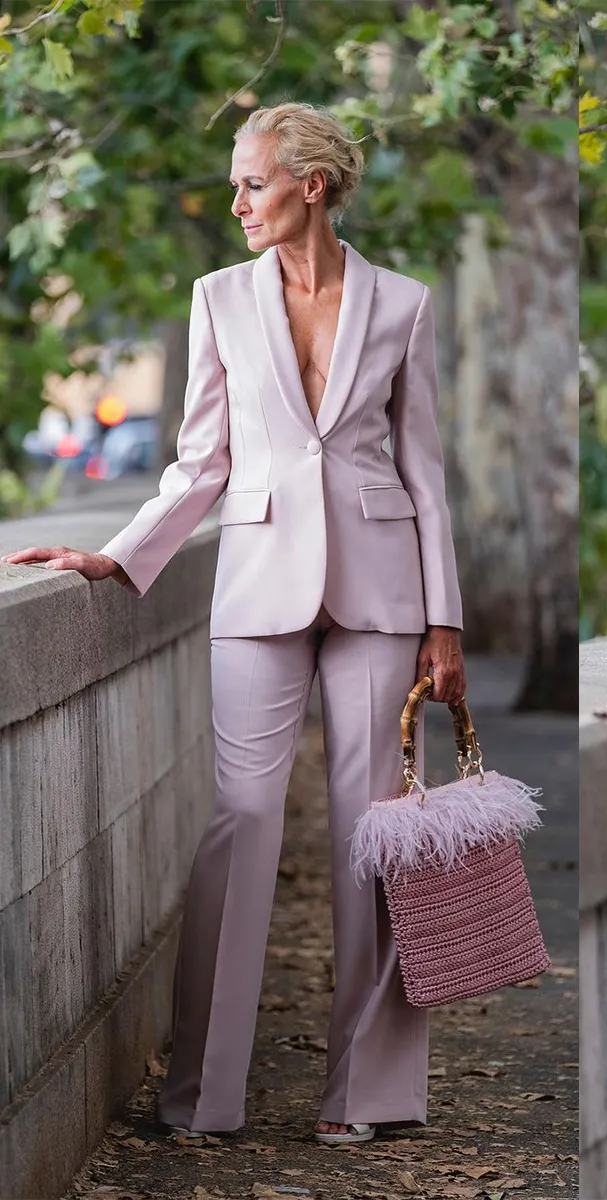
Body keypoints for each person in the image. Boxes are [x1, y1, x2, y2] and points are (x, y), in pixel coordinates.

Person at [2, 102, 466, 1147]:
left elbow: (427, 473)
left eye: (252, 182)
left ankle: (368, 1095)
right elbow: (201, 460)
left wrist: (448, 624)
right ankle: (203, 1095)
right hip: (257, 582)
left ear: (310, 184)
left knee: (374, 835)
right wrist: (119, 553)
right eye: (233, 182)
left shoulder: (401, 303)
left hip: (383, 592)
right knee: (241, 822)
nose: (236, 201)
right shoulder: (219, 298)